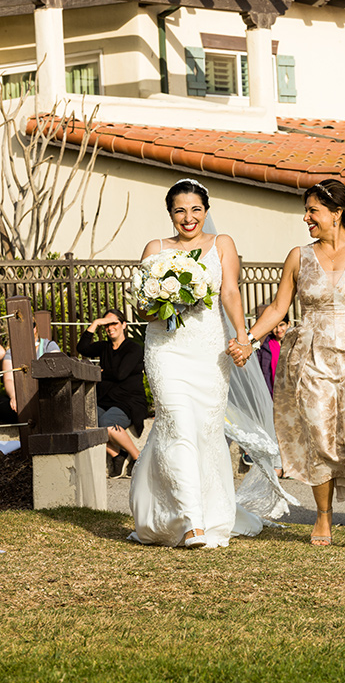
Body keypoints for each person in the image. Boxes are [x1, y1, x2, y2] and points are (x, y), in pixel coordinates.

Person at [228, 179, 345, 550]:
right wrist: (249, 339)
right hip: (310, 356)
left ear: (336, 213)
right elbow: (279, 308)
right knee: (320, 436)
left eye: (313, 210)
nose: (306, 218)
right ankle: (323, 516)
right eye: (307, 210)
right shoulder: (299, 256)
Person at [128, 178, 263, 549]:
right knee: (177, 424)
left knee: (203, 431)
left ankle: (198, 511)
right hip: (166, 348)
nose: (188, 218)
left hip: (209, 350)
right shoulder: (155, 249)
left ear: (207, 210)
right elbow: (140, 307)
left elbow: (231, 290)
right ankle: (193, 523)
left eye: (196, 209)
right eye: (179, 211)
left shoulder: (222, 244)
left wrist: (241, 335)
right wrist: (157, 297)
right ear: (170, 213)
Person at [76, 309, 148, 477]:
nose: (110, 328)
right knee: (83, 424)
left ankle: (138, 458)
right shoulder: (104, 347)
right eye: (106, 325)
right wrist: (94, 324)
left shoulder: (133, 348)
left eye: (113, 323)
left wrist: (100, 372)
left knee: (106, 423)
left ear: (123, 325)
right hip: (105, 401)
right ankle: (117, 454)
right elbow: (83, 348)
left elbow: (120, 374)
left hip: (128, 402)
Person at [0, 320, 60, 424]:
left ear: (35, 328)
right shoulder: (11, 351)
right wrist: (14, 396)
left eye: (30, 327)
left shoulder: (49, 346)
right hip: (21, 396)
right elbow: (9, 379)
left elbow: (57, 370)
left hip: (45, 394)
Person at [257, 315, 290, 398]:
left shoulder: (296, 344)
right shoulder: (265, 348)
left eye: (281, 325)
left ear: (288, 324)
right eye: (274, 327)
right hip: (273, 394)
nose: (278, 330)